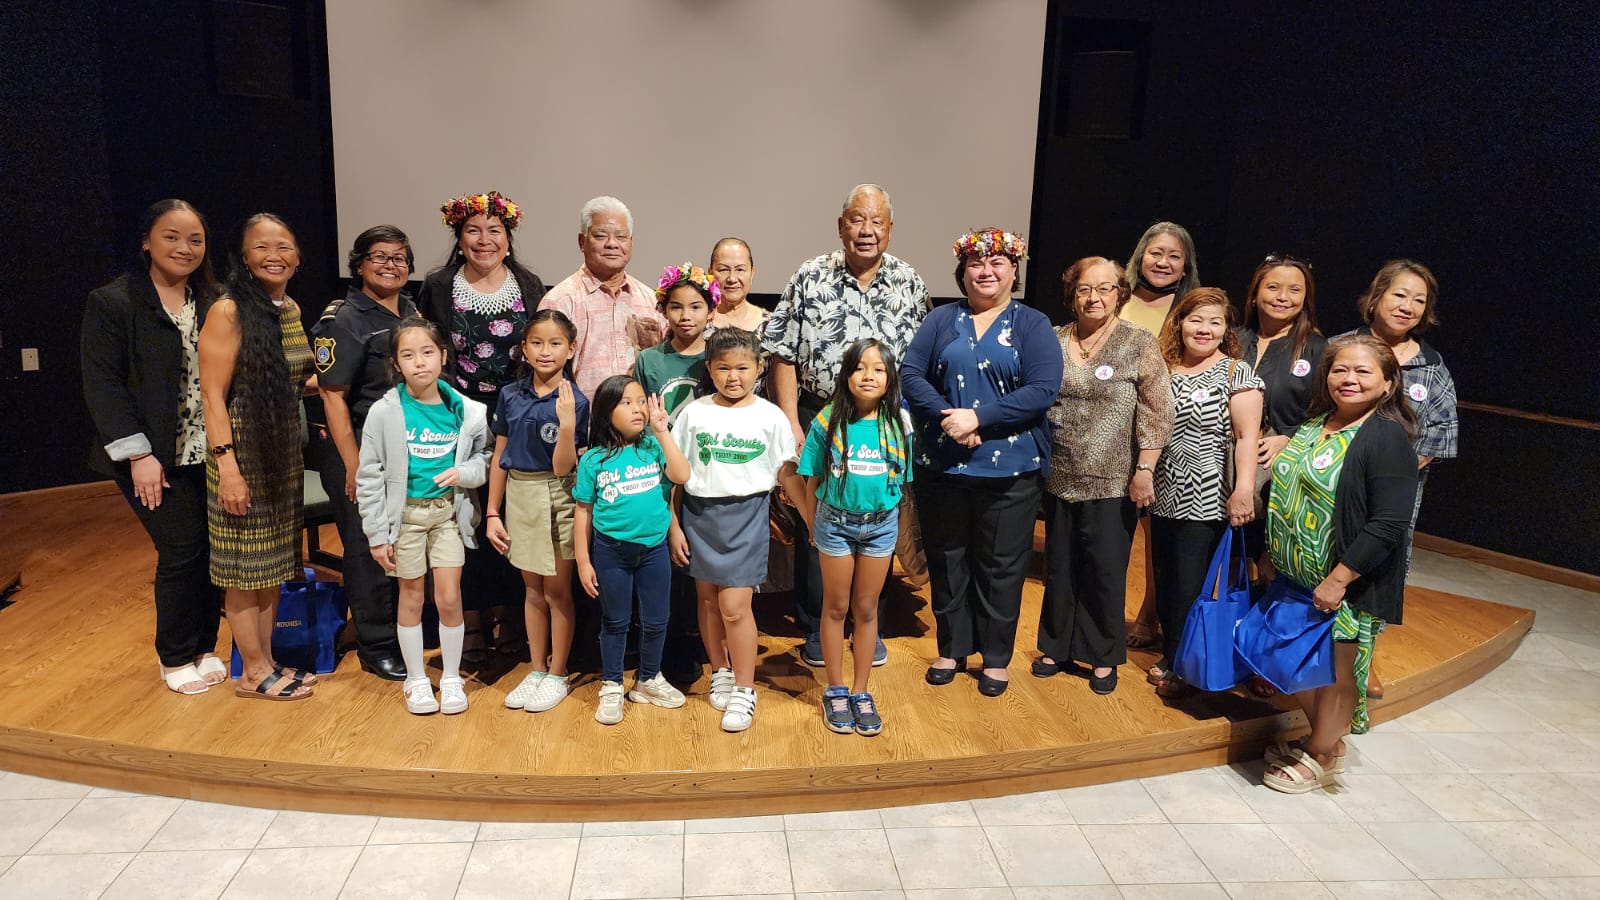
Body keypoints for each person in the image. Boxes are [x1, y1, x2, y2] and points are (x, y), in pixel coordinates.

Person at [764, 184, 929, 666]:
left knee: (874, 516)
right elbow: (783, 352)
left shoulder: (910, 282)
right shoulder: (809, 275)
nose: (866, 230)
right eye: (857, 219)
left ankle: (867, 624)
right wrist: (792, 419)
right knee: (821, 518)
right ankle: (817, 625)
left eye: (876, 221)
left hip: (883, 421)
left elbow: (917, 363)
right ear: (841, 226)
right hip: (822, 412)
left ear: (890, 229)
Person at [901, 229, 1062, 697]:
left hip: (1010, 469)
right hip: (944, 463)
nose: (986, 272)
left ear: (1014, 270)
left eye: (997, 264)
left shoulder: (1032, 323)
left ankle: (994, 658)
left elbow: (1042, 389)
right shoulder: (940, 320)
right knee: (947, 560)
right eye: (976, 264)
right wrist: (951, 419)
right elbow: (911, 374)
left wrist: (979, 417)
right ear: (962, 272)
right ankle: (951, 649)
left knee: (1001, 566)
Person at [1256, 335, 1418, 793]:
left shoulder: (1385, 437)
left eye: (1364, 371)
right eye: (1340, 369)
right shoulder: (1313, 425)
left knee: (1336, 673)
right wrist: (1271, 551)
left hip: (1343, 584)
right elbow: (1286, 491)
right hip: (1294, 578)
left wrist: (1340, 578)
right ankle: (1327, 738)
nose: (1349, 379)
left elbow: (1388, 523)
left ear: (1388, 383)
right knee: (1294, 663)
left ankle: (1324, 753)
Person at [81, 199, 224, 694]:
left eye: (195, 239)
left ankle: (205, 645)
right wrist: (138, 455)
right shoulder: (114, 302)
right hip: (151, 454)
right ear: (147, 241)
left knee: (211, 549)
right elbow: (103, 385)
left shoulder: (212, 300)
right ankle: (174, 654)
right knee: (181, 549)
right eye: (172, 237)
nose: (185, 248)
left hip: (208, 450)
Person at [416, 190, 546, 662]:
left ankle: (511, 617)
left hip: (517, 415)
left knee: (514, 514)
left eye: (495, 231)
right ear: (459, 237)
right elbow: (425, 349)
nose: (484, 240)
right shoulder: (437, 285)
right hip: (457, 417)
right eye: (473, 230)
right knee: (461, 518)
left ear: (508, 240)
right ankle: (468, 623)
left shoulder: (529, 285)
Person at [1033, 256, 1172, 696]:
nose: (1094, 297)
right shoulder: (1053, 340)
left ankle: (1102, 655)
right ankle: (1055, 647)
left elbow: (1157, 410)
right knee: (1059, 567)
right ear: (1072, 296)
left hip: (1114, 479)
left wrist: (1145, 469)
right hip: (1059, 474)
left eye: (1105, 288)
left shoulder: (1138, 342)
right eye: (1084, 289)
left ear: (1119, 294)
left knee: (1105, 570)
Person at [198, 213, 317, 701]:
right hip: (241, 455)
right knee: (244, 570)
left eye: (284, 246)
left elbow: (301, 379)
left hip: (282, 453)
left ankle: (266, 662)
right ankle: (251, 671)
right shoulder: (227, 312)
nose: (275, 256)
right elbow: (211, 396)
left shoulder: (287, 308)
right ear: (244, 257)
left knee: (270, 567)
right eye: (262, 247)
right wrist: (228, 468)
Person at [671, 329, 806, 731]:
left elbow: (787, 473)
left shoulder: (770, 415)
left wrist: (811, 518)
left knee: (734, 607)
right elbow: (676, 476)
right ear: (709, 368)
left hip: (747, 517)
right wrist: (674, 526)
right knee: (708, 601)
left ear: (759, 368)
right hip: (699, 516)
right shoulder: (693, 414)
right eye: (723, 368)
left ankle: (745, 689)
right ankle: (721, 670)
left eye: (743, 368)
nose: (733, 377)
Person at [356, 318, 491, 714]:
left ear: (444, 356)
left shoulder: (468, 411)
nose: (420, 363)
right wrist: (377, 534)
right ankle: (416, 679)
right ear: (396, 363)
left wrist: (463, 473)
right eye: (408, 355)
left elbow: (485, 459)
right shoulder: (384, 413)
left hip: (447, 516)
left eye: (428, 352)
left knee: (449, 597)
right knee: (411, 597)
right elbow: (369, 475)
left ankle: (450, 677)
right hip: (406, 521)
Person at [1338, 259, 1458, 700]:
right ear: (1377, 296)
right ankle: (1311, 651)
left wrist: (1385, 481)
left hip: (1391, 498)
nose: (1407, 306)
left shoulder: (1431, 368)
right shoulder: (1339, 348)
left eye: (1418, 300)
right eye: (1399, 294)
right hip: (1330, 486)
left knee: (1377, 572)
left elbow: (1437, 437)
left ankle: (1363, 659)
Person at [310, 225, 418, 680]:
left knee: (402, 541)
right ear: (358, 265)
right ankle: (376, 645)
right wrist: (354, 467)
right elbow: (332, 396)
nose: (391, 265)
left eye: (399, 258)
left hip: (404, 450)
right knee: (367, 545)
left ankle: (404, 627)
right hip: (358, 450)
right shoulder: (344, 318)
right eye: (380, 257)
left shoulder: (409, 309)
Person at [1146, 288, 1263, 696]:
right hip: (1161, 491)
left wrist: (1244, 490)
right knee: (1165, 577)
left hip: (1208, 496)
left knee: (1193, 583)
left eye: (1215, 322)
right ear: (1179, 324)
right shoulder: (1165, 368)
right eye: (1197, 320)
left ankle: (1187, 663)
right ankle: (1174, 651)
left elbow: (1248, 438)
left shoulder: (1237, 373)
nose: (1205, 329)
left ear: (1226, 329)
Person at [798, 338, 910, 735]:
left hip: (881, 525)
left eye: (878, 369)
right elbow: (810, 479)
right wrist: (813, 525)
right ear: (846, 376)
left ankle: (862, 691)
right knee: (835, 607)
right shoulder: (827, 422)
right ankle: (836, 689)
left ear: (890, 377)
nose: (868, 375)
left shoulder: (898, 424)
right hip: (835, 524)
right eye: (860, 368)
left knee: (866, 609)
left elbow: (901, 484)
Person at [573, 375, 691, 726]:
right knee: (615, 621)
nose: (638, 408)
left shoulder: (654, 447)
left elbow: (680, 477)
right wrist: (583, 560)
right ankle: (611, 684)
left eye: (641, 400)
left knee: (657, 620)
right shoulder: (593, 460)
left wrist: (663, 431)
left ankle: (648, 679)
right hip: (611, 553)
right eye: (626, 402)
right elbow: (583, 511)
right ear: (607, 411)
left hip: (654, 550)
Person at [487, 311, 588, 714]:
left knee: (557, 590)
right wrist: (493, 512)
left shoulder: (575, 401)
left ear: (571, 349)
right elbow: (500, 455)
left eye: (555, 343)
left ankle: (558, 672)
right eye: (537, 343)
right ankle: (536, 667)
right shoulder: (510, 395)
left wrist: (566, 426)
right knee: (532, 590)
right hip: (520, 495)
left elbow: (565, 467)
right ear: (524, 349)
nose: (546, 351)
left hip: (558, 494)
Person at [1119, 222, 1200, 652]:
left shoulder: (1191, 306)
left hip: (1164, 432)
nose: (1163, 263)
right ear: (1140, 256)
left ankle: (1150, 613)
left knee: (1155, 532)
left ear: (1186, 265)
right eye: (1156, 253)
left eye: (1173, 256)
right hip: (1111, 429)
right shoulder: (1115, 296)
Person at [539, 196, 666, 400]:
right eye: (600, 236)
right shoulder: (560, 301)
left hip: (643, 425)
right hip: (582, 426)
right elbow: (543, 377)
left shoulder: (652, 300)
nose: (612, 244)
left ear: (631, 242)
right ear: (582, 242)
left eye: (621, 237)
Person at [635, 263, 717, 418]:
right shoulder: (648, 359)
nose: (685, 316)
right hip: (656, 441)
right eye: (676, 307)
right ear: (664, 311)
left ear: (711, 311)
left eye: (695, 307)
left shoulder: (719, 359)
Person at [709, 238, 766, 334]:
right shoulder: (696, 322)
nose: (732, 279)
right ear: (710, 273)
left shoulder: (771, 324)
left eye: (740, 270)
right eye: (723, 269)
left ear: (752, 274)